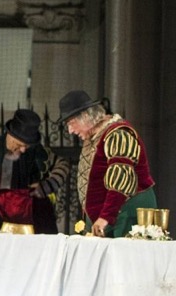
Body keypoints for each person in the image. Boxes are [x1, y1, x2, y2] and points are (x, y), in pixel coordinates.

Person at [59, 90, 157, 237]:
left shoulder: (118, 134)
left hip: (127, 214)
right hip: (108, 218)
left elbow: (122, 179)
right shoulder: (93, 137)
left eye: (71, 123)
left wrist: (105, 217)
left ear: (85, 116)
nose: (70, 130)